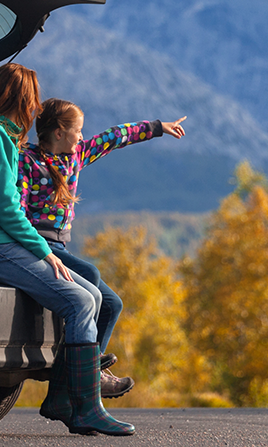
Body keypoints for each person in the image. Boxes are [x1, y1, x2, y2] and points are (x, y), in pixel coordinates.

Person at [0, 63, 134, 437]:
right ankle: (86, 408)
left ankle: (65, 400)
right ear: (22, 98)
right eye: (33, 98)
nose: (36, 108)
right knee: (80, 301)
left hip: (1, 241)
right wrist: (44, 252)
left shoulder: (1, 136)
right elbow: (5, 207)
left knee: (94, 296)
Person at [18, 99, 186, 394]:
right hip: (40, 245)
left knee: (112, 304)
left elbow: (115, 136)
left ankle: (89, 365)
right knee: (91, 274)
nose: (82, 136)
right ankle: (84, 373)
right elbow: (17, 210)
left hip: (61, 246)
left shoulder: (76, 156)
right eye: (78, 130)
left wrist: (158, 127)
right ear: (59, 132)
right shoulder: (27, 161)